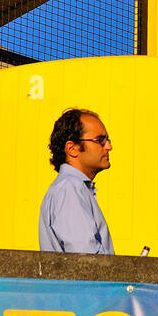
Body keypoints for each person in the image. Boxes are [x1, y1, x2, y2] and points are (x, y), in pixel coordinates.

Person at [38, 108, 114, 254]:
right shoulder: (69, 189)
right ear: (72, 148)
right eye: (100, 140)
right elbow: (86, 261)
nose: (109, 147)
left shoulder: (74, 187)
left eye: (108, 140)